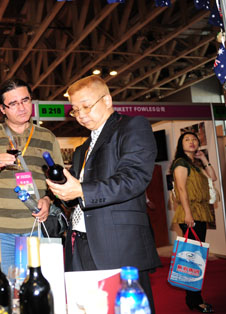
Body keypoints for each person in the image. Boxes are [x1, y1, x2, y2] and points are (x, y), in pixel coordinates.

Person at [47, 75, 160, 313]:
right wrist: (59, 195)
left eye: (86, 106)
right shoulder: (82, 149)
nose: (81, 115)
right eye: (75, 110)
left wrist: (80, 189)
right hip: (79, 244)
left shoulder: (132, 127)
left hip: (117, 245)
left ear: (107, 100)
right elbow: (79, 195)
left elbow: (134, 178)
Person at [0, 78, 63, 272]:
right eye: (13, 103)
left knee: (35, 290)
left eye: (25, 100)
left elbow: (58, 181)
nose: (22, 108)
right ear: (2, 109)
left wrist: (47, 199)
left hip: (35, 226)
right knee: (2, 292)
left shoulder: (47, 137)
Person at [170, 132, 216, 313]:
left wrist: (204, 158)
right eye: (187, 139)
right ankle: (195, 300)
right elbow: (181, 189)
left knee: (196, 258)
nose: (192, 142)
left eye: (194, 139)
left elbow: (212, 177)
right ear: (181, 145)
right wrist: (188, 214)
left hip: (199, 212)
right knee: (193, 259)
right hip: (191, 214)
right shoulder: (180, 163)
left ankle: (194, 298)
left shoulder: (194, 164)